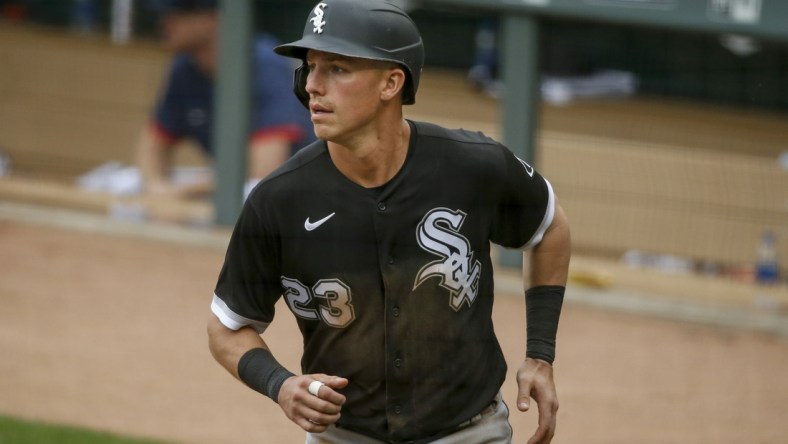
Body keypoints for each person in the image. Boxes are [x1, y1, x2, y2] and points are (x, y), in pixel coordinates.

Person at [207, 1, 571, 443]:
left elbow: (549, 227)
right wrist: (278, 384)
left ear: (391, 82)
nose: (312, 86)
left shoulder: (473, 166)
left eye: (337, 68)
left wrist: (540, 355)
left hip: (469, 433)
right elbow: (226, 329)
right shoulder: (279, 200)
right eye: (310, 67)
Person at [136, 0, 314, 198]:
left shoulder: (263, 63)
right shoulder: (184, 68)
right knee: (119, 182)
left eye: (177, 14)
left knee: (252, 195)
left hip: (298, 191)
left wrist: (181, 192)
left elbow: (264, 172)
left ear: (212, 18)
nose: (164, 22)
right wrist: (156, 186)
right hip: (225, 185)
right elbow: (153, 145)